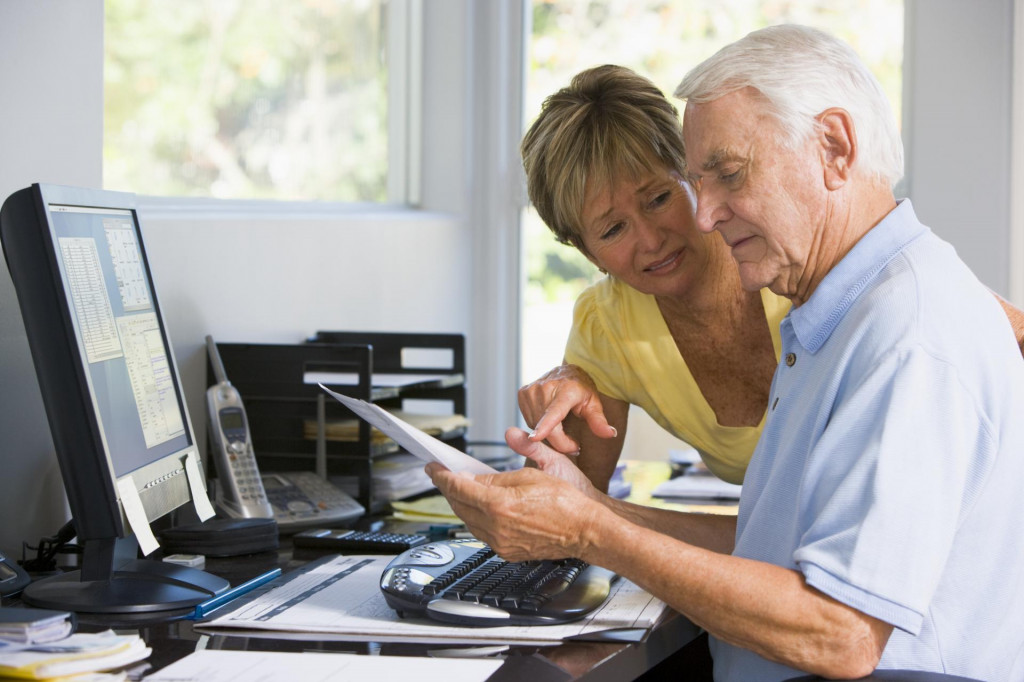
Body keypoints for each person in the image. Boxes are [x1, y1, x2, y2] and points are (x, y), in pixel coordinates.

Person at [429, 24, 1024, 681]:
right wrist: (591, 511)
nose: (702, 216)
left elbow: (843, 636)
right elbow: (776, 548)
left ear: (833, 147)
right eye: (697, 181)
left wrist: (591, 531)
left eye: (727, 176)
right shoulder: (828, 315)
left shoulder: (907, 334)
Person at [519, 65, 1024, 492]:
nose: (651, 239)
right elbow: (565, 513)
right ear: (586, 251)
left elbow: (994, 327)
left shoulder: (785, 255)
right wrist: (559, 408)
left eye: (659, 198)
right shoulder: (606, 327)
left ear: (695, 176)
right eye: (612, 229)